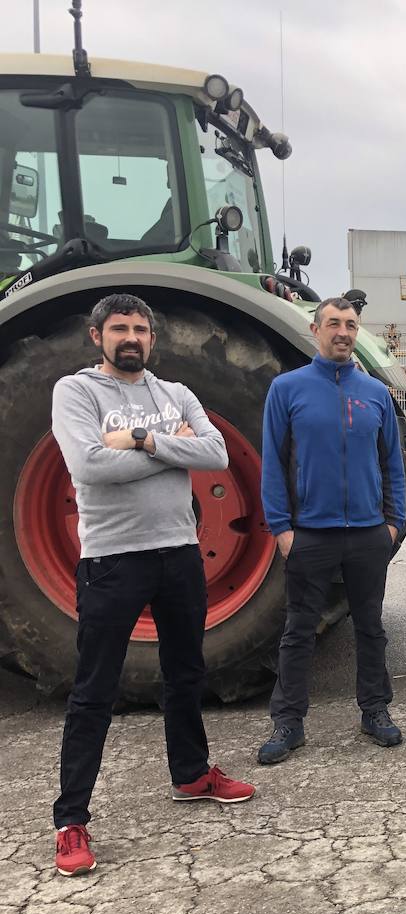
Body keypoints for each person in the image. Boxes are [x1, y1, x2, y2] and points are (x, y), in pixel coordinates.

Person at [50, 293, 255, 877]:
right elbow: (87, 466)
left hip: (180, 554)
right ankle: (71, 821)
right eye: (120, 328)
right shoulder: (76, 392)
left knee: (187, 670)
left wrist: (140, 441)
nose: (131, 337)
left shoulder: (174, 392)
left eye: (140, 328)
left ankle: (191, 775)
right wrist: (174, 450)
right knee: (94, 689)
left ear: (152, 338)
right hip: (114, 561)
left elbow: (214, 453)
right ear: (97, 336)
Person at [257, 297, 406, 763]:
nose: (343, 332)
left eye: (351, 325)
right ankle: (289, 722)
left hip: (367, 534)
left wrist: (392, 523)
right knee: (299, 629)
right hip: (311, 534)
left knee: (371, 626)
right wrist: (282, 528)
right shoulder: (287, 389)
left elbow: (392, 465)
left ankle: (375, 710)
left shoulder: (376, 394)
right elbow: (273, 464)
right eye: (334, 324)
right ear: (316, 329)